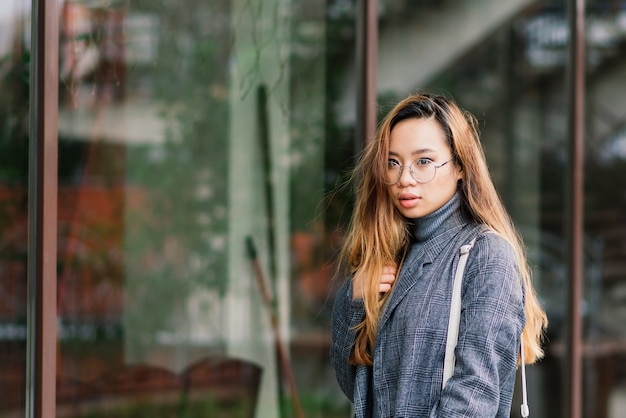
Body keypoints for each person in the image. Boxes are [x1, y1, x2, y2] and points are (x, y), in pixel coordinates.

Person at [330, 93, 548, 417]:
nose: (404, 178)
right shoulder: (392, 255)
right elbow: (362, 391)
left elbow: (473, 397)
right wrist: (353, 299)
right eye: (393, 162)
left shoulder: (486, 255)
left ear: (460, 165)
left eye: (424, 162)